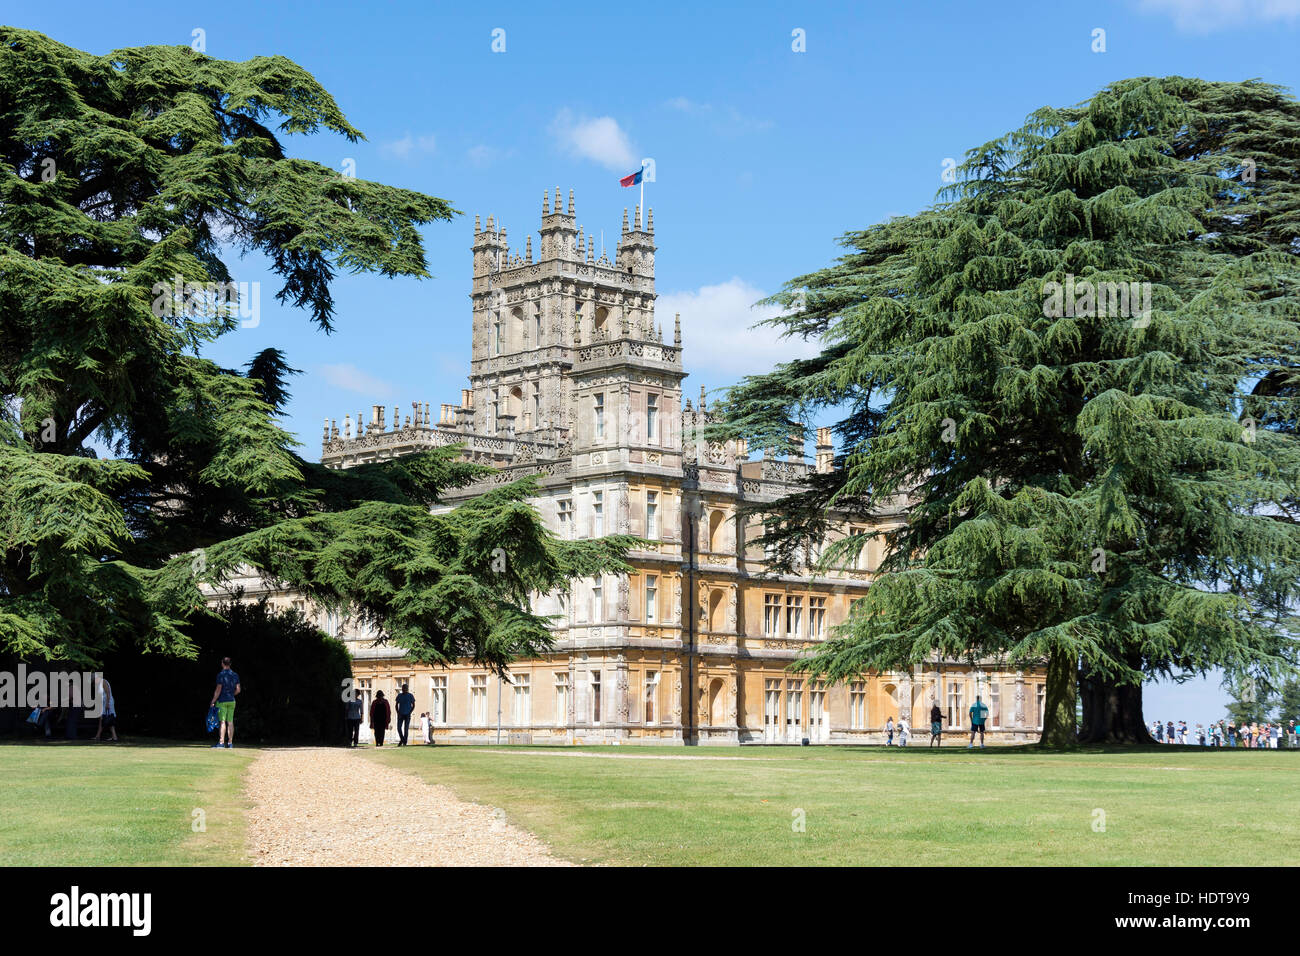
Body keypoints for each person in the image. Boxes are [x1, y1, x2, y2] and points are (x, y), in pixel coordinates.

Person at [210, 658, 240, 749]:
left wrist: (213, 701)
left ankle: (221, 742)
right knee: (230, 721)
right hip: (232, 701)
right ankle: (230, 743)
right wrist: (231, 694)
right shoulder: (235, 675)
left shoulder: (221, 675)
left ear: (222, 663)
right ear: (230, 664)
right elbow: (238, 690)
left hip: (222, 700)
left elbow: (218, 689)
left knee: (222, 721)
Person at [93, 675, 118, 742]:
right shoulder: (100, 683)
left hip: (108, 702)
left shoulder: (103, 681)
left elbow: (108, 693)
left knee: (105, 718)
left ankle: (98, 736)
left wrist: (107, 703)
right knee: (107, 719)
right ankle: (114, 736)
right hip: (105, 702)